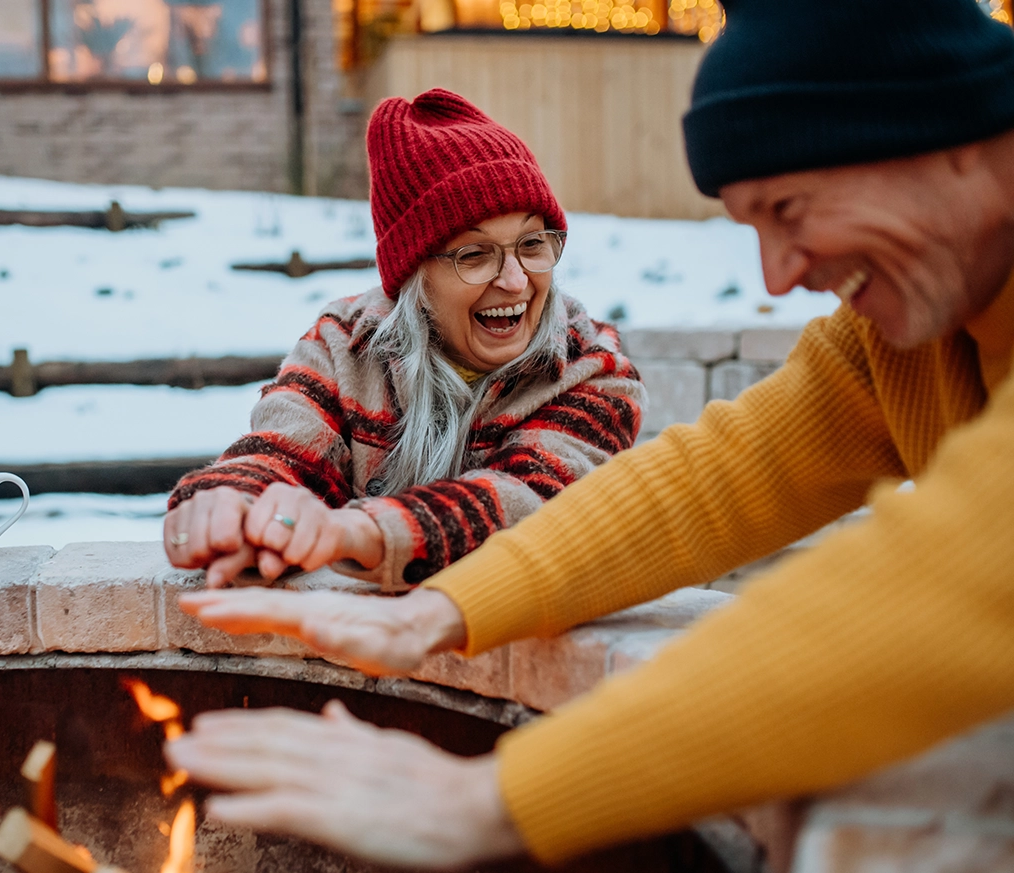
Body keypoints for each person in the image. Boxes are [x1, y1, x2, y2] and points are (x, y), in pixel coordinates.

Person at [165, 0, 1014, 868]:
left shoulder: (586, 363)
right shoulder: (903, 340)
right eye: (754, 226)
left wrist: (495, 797)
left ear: (942, 128)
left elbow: (952, 572)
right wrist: (438, 612)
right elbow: (708, 483)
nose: (779, 274)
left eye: (790, 207)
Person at [163, 89, 645, 590]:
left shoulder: (591, 371)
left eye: (531, 244)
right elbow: (281, 453)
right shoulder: (344, 345)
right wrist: (228, 505)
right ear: (413, 277)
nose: (516, 281)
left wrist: (356, 531)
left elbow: (533, 503)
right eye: (475, 254)